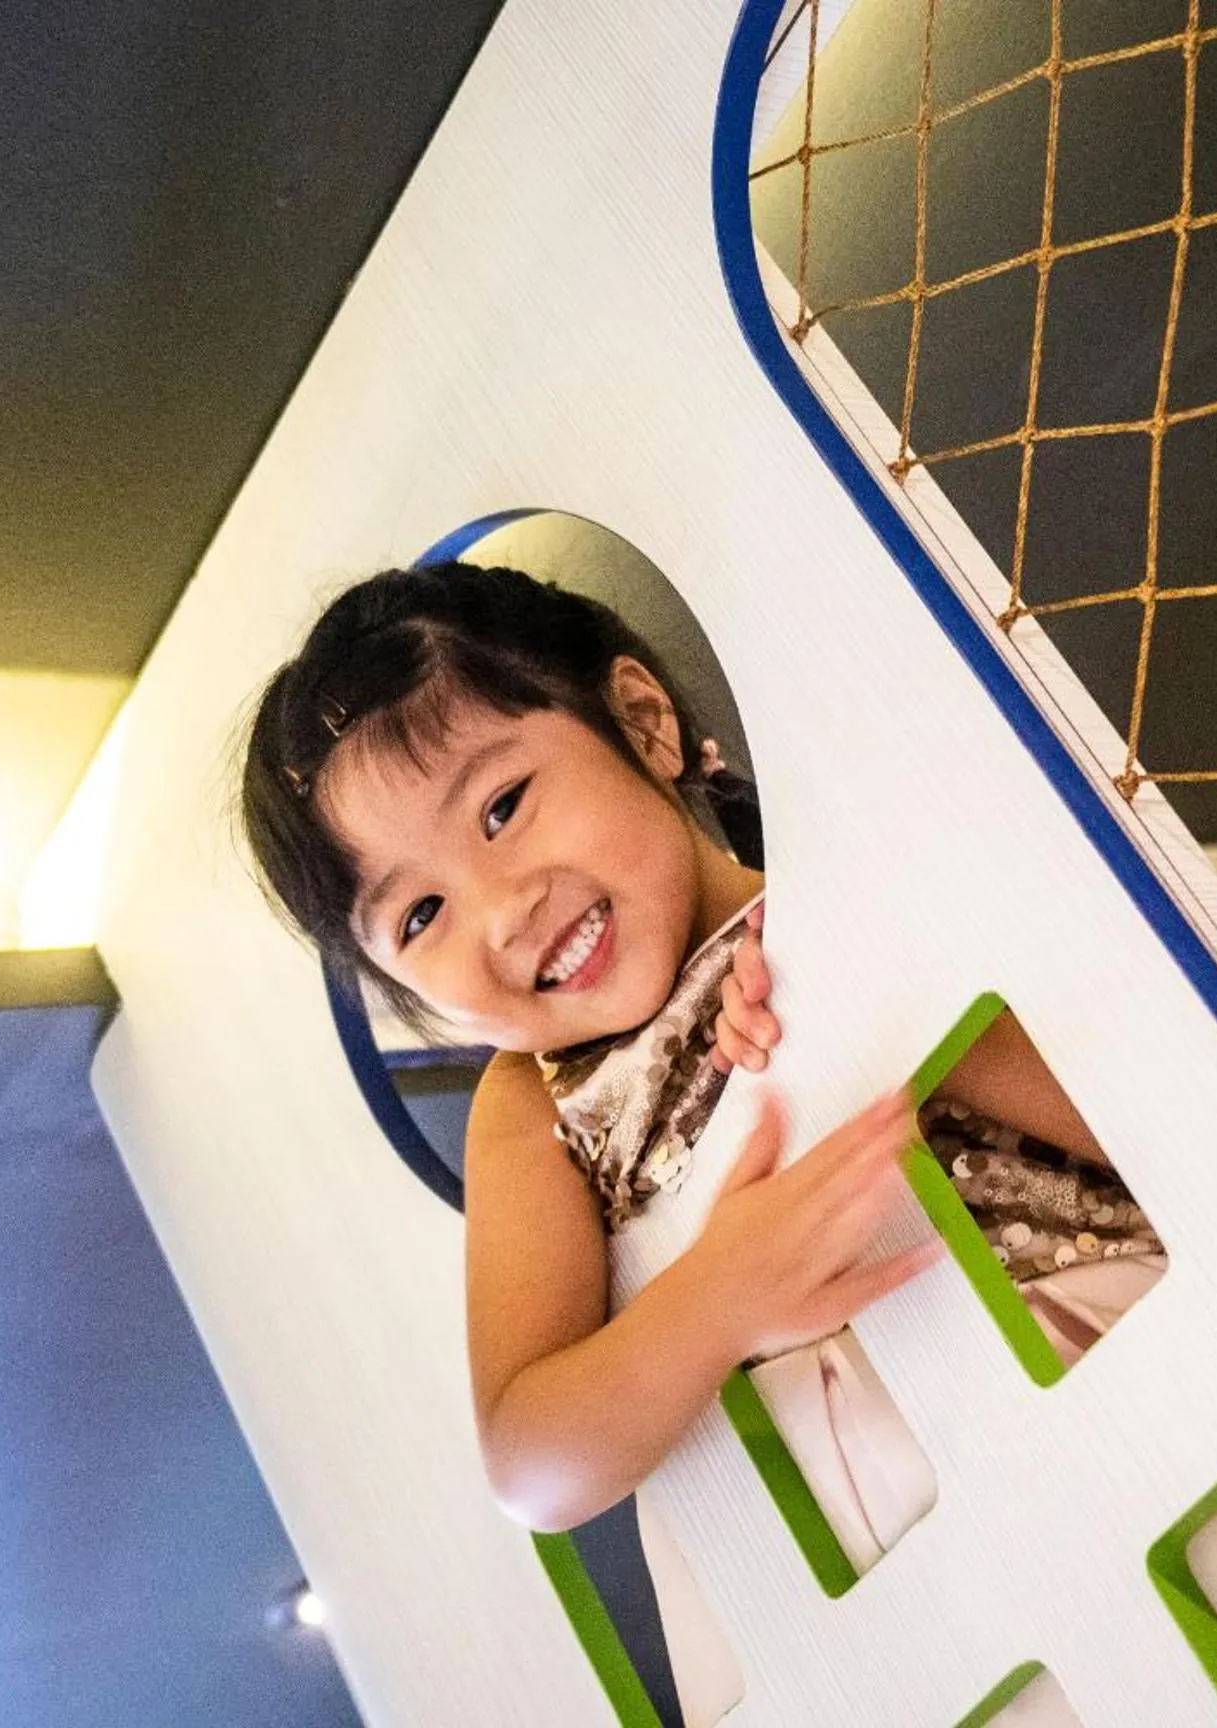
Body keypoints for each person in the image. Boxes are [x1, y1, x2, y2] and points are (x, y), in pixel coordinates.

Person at [239, 562, 1159, 1538]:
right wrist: (720, 1298)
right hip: (904, 1544)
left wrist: (843, 1012)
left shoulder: (849, 886)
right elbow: (531, 1461)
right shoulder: (532, 1104)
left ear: (642, 719)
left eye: (503, 807)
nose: (504, 915)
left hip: (1105, 1352)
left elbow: (1140, 1134)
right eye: (422, 914)